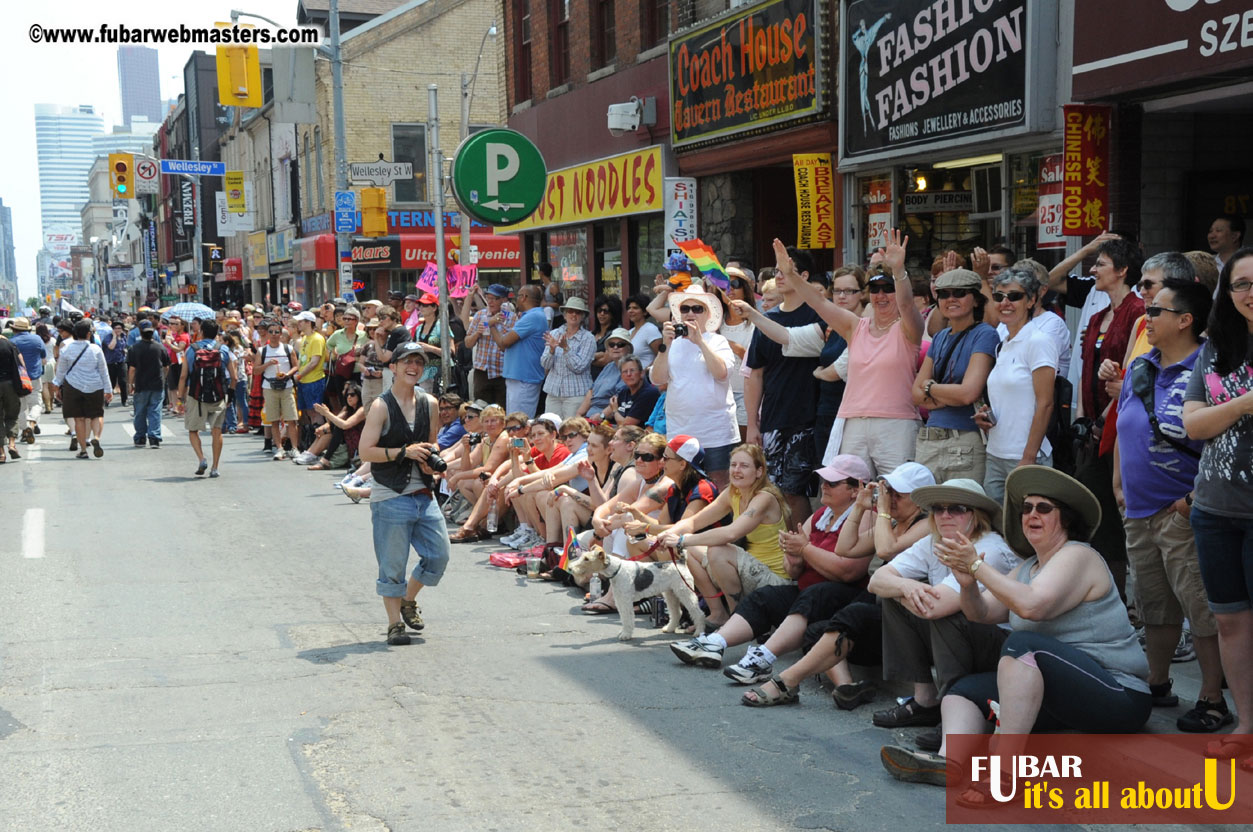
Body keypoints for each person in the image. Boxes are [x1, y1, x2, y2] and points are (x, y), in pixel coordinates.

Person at [924, 467, 1151, 792]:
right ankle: (949, 763)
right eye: (1026, 508)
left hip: (1119, 695)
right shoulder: (1028, 567)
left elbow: (1031, 606)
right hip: (1063, 696)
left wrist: (976, 565)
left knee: (1023, 644)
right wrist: (967, 583)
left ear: (1066, 518)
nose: (1031, 514)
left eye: (1043, 508)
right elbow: (980, 613)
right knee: (963, 691)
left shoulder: (1078, 555)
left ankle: (1006, 772)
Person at [1112, 277, 1228, 731]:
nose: (1147, 316)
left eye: (1156, 309)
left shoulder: (1212, 367)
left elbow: (1226, 441)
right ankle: (1157, 683)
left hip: (1183, 513)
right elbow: (1123, 424)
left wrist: (1191, 500)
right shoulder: (1141, 366)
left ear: (1185, 320)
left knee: (1201, 610)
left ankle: (1213, 698)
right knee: (1154, 606)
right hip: (1138, 509)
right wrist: (1119, 483)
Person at [726, 462, 937, 708]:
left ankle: (786, 680)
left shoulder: (925, 524)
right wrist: (859, 508)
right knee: (816, 630)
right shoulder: (890, 524)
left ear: (919, 501)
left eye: (897, 495)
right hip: (886, 609)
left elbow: (886, 549)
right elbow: (845, 548)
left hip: (907, 619)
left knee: (847, 611)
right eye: (888, 492)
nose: (889, 499)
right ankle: (847, 688)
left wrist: (880, 511)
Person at [671, 455, 872, 681]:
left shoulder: (866, 516)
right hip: (807, 591)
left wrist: (804, 549)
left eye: (832, 483)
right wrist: (794, 559)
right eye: (823, 481)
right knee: (764, 597)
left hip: (838, 596)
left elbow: (848, 572)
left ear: (856, 490)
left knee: (815, 593)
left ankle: (762, 658)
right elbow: (794, 571)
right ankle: (715, 643)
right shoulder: (820, 515)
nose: (824, 486)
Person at [1182, 246, 1253, 751]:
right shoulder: (1217, 346)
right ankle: (1246, 726)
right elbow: (1193, 423)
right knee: (1229, 621)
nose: (1250, 292)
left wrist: (1222, 411)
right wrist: (1246, 403)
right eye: (1241, 283)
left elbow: (1209, 417)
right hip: (1214, 507)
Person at [356, 343, 450, 646]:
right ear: (393, 367)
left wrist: (430, 457)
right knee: (393, 565)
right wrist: (403, 452)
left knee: (438, 556)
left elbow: (432, 443)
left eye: (419, 362)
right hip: (390, 494)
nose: (414, 367)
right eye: (407, 361)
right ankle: (394, 623)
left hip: (423, 492)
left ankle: (408, 599)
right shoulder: (381, 406)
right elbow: (365, 451)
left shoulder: (430, 403)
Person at [1076, 237, 1146, 596]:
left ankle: (1124, 599)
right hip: (1092, 428)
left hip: (1120, 427)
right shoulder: (1096, 317)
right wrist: (1082, 417)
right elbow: (1085, 370)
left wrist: (1105, 416)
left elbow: (1133, 373)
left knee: (1120, 516)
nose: (1093, 270)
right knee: (1096, 513)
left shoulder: (1139, 312)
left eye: (1100, 264)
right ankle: (1104, 594)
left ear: (1122, 270)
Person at [659, 444, 793, 625]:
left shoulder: (765, 497)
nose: (736, 470)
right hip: (752, 571)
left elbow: (731, 533)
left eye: (744, 466)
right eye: (733, 465)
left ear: (759, 472)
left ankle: (740, 620)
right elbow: (693, 522)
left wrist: (682, 540)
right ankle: (719, 614)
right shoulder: (732, 492)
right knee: (690, 551)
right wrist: (666, 535)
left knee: (717, 551)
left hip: (775, 580)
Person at [745, 244, 827, 526]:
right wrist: (753, 423)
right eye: (777, 271)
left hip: (808, 417)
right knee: (775, 492)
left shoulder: (819, 315)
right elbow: (755, 373)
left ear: (803, 276)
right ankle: (784, 548)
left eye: (785, 271)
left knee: (796, 492)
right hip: (772, 418)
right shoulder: (767, 319)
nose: (778, 276)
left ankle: (801, 548)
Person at [910, 269, 1000, 483]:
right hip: (929, 439)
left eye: (959, 293)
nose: (950, 299)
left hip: (965, 440)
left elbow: (968, 393)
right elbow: (915, 395)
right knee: (925, 504)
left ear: (976, 300)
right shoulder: (940, 337)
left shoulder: (985, 334)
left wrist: (930, 388)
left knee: (962, 503)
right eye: (943, 294)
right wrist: (951, 395)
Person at [979, 266, 1058, 500]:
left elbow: (1046, 404)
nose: (1005, 303)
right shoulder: (1003, 343)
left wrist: (1028, 458)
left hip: (1025, 457)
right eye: (999, 297)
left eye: (1014, 296)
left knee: (1027, 522)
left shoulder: (1039, 341)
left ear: (1031, 300)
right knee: (995, 521)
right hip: (995, 453)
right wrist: (986, 415)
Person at [651, 286, 739, 487]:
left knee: (719, 486)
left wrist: (699, 341)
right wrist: (665, 346)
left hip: (716, 433)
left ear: (707, 314)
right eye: (685, 309)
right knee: (681, 486)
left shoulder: (718, 341)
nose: (690, 313)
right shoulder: (672, 344)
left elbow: (721, 373)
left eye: (697, 308)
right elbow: (657, 379)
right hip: (680, 433)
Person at [179, 318, 238, 478]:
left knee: (193, 430)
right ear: (217, 333)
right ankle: (215, 467)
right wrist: (230, 395)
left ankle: (201, 458)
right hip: (218, 395)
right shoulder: (223, 349)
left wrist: (180, 396)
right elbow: (234, 377)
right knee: (217, 431)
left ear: (201, 331)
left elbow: (184, 375)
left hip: (196, 395)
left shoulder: (191, 349)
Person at [51, 320, 111, 459]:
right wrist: (108, 389)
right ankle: (96, 437)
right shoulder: (96, 349)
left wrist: (57, 386)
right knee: (96, 415)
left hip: (73, 386)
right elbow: (103, 371)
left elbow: (61, 371)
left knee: (79, 419)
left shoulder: (66, 349)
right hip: (95, 386)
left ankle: (83, 450)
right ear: (89, 334)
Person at [491, 284, 546, 417]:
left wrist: (491, 325)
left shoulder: (533, 317)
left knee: (519, 422)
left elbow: (504, 343)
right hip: (518, 377)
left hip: (524, 379)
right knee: (513, 420)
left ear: (524, 297)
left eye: (518, 296)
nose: (516, 300)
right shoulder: (530, 316)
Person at [541, 297, 596, 418]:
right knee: (550, 426)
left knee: (571, 427)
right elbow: (545, 365)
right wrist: (551, 350)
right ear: (565, 315)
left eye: (578, 312)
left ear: (582, 317)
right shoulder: (554, 333)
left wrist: (566, 348)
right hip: (553, 392)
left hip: (576, 394)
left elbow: (579, 367)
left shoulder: (588, 338)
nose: (574, 315)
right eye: (570, 311)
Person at [462, 284, 514, 406]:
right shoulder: (480, 315)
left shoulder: (512, 318)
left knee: (501, 409)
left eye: (494, 298)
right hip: (482, 370)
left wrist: (491, 323)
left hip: (502, 371)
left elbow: (506, 344)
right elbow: (468, 343)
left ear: (504, 300)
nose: (490, 301)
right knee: (480, 407)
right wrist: (478, 332)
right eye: (488, 297)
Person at [127, 321, 170, 448]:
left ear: (140, 332)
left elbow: (132, 369)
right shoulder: (160, 348)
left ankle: (140, 437)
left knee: (140, 412)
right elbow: (167, 366)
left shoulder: (134, 348)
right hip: (157, 384)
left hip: (141, 384)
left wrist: (130, 383)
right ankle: (154, 438)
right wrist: (164, 378)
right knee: (155, 411)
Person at [7, 318, 47, 445]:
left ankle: (25, 429)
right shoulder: (37, 339)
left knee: (20, 406)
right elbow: (43, 356)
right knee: (36, 403)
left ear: (14, 329)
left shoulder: (11, 342)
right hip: (34, 377)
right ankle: (31, 422)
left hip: (17, 378)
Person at [577, 328, 629, 418]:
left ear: (629, 348)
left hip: (609, 419)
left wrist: (601, 416)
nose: (615, 347)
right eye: (611, 345)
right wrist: (579, 414)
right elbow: (592, 391)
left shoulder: (629, 369)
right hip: (591, 415)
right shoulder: (609, 366)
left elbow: (619, 398)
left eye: (620, 344)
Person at [292, 310, 328, 438]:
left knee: (315, 411)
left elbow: (314, 362)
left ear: (309, 322)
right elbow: (302, 360)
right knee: (308, 412)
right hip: (303, 380)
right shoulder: (305, 338)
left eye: (301, 321)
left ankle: (320, 439)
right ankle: (311, 439)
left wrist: (299, 375)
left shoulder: (317, 339)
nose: (298, 323)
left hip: (314, 380)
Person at [624, 294, 663, 369]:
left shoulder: (650, 329)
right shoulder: (629, 332)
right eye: (629, 308)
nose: (630, 311)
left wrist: (646, 371)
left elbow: (661, 355)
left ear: (645, 312)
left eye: (635, 308)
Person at [0, 332, 23, 461]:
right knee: (12, 416)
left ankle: (1, 453)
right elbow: (21, 365)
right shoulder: (10, 345)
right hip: (10, 385)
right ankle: (12, 444)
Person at [590, 294, 623, 375]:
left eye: (606, 311)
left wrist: (585, 359)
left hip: (607, 378)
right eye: (599, 310)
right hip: (589, 378)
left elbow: (605, 360)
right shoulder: (591, 334)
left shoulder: (616, 333)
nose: (602, 314)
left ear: (613, 314)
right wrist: (598, 355)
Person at [102, 320, 128, 406]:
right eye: (116, 328)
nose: (118, 330)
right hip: (111, 362)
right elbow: (111, 347)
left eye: (119, 328)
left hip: (121, 361)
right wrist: (114, 337)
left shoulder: (124, 336)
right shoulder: (108, 337)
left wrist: (125, 350)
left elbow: (125, 346)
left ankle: (124, 400)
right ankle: (107, 400)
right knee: (111, 382)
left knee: (123, 381)